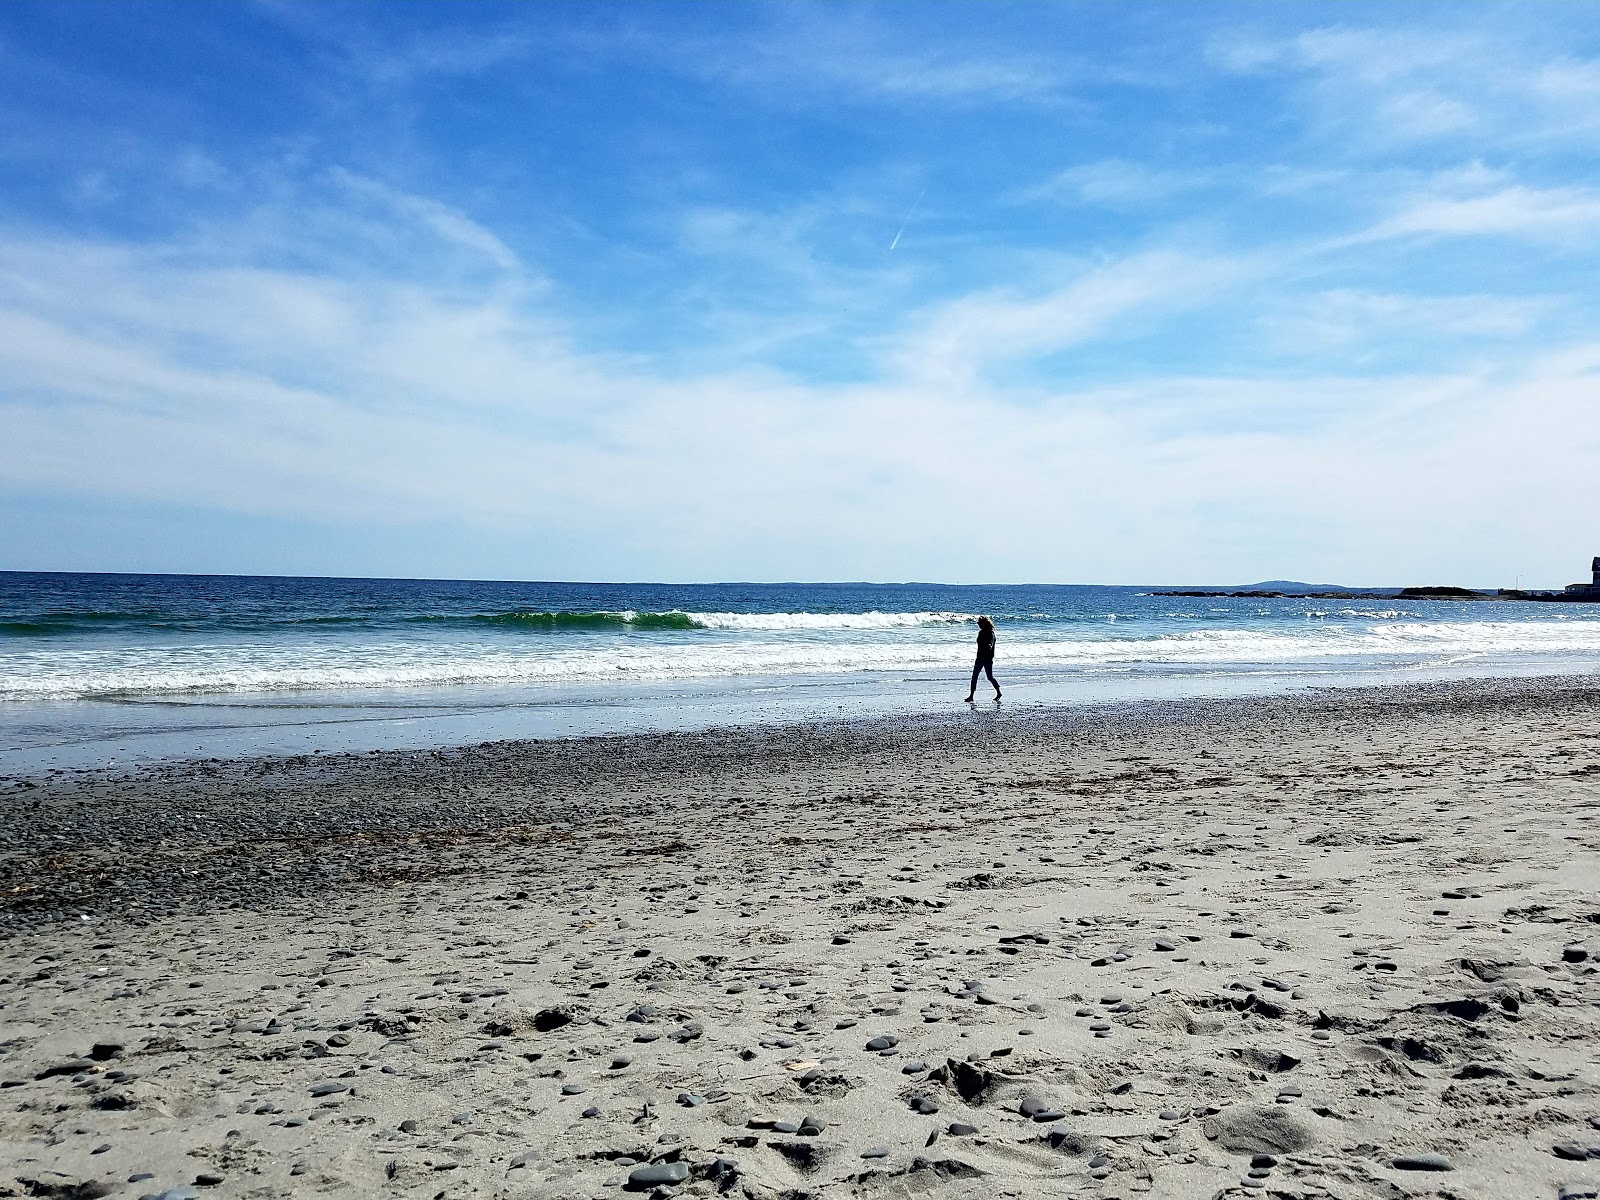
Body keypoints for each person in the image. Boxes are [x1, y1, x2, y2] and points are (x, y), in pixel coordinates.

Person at [964, 615, 1001, 702]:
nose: (979, 625)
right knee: (975, 676)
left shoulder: (991, 633)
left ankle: (998, 692)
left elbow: (989, 646)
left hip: (987, 659)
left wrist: (986, 650)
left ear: (984, 624)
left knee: (989, 677)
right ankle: (971, 695)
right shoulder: (981, 632)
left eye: (980, 623)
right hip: (980, 657)